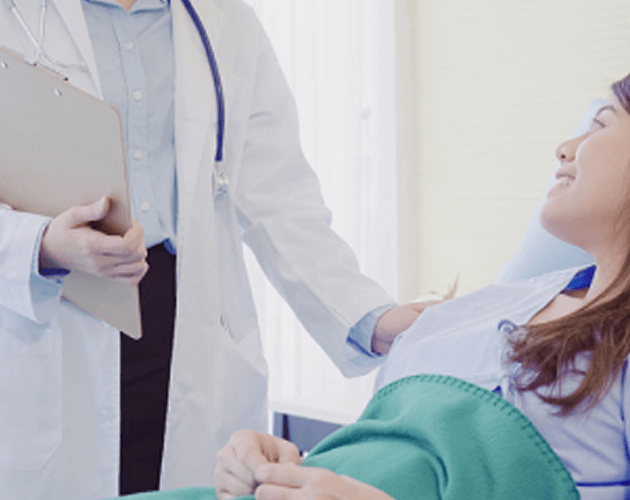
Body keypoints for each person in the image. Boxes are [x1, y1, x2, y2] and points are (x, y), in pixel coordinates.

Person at [209, 67, 630, 500]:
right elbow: (378, 452)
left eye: (599, 123)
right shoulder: (488, 305)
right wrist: (278, 462)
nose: (565, 147)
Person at [0, 1, 426, 499]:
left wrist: (368, 318)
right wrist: (40, 245)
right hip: (48, 315)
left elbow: (278, 194)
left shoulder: (222, 18)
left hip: (190, 329)